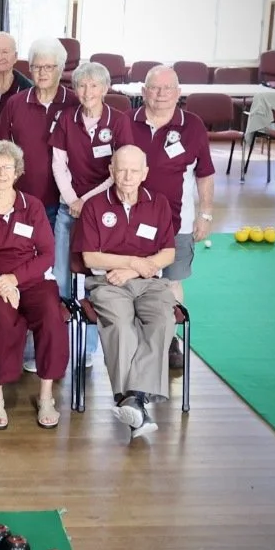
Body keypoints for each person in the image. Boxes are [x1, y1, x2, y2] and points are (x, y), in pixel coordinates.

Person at [0, 140, 68, 429]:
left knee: (50, 315)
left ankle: (46, 396)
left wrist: (14, 280)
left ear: (18, 172)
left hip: (31, 279)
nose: (2, 174)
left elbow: (47, 254)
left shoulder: (31, 206)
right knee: (5, 318)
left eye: (8, 168)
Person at [75, 145, 177, 440]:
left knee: (162, 322)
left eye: (134, 170)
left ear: (145, 173)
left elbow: (168, 252)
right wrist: (132, 262)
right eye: (121, 169)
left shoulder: (158, 203)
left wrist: (134, 270)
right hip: (107, 283)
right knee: (120, 326)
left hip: (149, 283)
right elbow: (90, 258)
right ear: (111, 171)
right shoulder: (95, 205)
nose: (128, 176)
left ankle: (133, 400)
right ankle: (135, 401)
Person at [0, 37, 78, 372]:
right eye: (37, 66)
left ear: (61, 69)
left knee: (59, 278)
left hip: (62, 206)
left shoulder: (72, 103)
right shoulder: (15, 104)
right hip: (23, 207)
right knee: (27, 278)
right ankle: (28, 353)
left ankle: (62, 352)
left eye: (49, 66)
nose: (42, 72)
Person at [129, 65, 215, 369]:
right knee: (137, 282)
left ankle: (169, 340)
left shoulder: (192, 125)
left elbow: (204, 174)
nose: (161, 94)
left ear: (178, 93)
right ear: (143, 92)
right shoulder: (128, 122)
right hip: (131, 224)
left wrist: (205, 214)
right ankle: (140, 340)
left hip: (176, 224)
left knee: (171, 283)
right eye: (154, 88)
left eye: (168, 89)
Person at [49, 61, 135, 366]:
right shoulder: (66, 118)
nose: (87, 92)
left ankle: (87, 350)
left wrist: (86, 200)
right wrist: (72, 199)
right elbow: (58, 164)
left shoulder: (120, 121)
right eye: (82, 86)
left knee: (95, 281)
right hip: (67, 208)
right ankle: (56, 348)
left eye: (94, 85)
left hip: (102, 211)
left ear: (105, 88)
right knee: (59, 278)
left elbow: (121, 169)